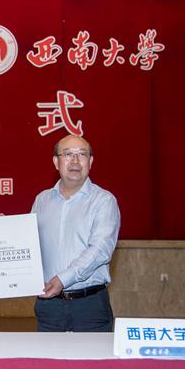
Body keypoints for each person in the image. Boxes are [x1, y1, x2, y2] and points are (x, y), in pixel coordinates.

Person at [31, 135, 120, 332]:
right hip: (49, 306)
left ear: (91, 162)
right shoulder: (41, 201)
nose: (75, 161)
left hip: (89, 306)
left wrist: (62, 279)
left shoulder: (104, 201)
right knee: (47, 353)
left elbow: (100, 250)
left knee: (93, 354)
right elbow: (31, 246)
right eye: (68, 154)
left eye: (82, 154)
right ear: (56, 162)